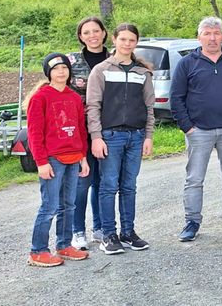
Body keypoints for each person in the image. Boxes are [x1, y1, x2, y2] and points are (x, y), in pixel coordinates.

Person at [171, 17, 222, 241]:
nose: (212, 38)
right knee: (195, 179)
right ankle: (192, 222)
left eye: (216, 33)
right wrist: (188, 128)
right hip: (199, 131)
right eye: (207, 33)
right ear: (199, 37)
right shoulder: (187, 63)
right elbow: (176, 98)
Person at [86, 23, 155, 255]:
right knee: (108, 185)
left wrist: (148, 136)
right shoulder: (101, 70)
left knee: (129, 186)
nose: (127, 44)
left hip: (136, 137)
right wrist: (96, 137)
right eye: (122, 39)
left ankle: (128, 232)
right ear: (114, 40)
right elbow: (93, 106)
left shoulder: (142, 72)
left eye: (131, 40)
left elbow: (149, 108)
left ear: (136, 43)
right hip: (110, 137)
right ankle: (108, 234)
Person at [26, 53, 91, 267]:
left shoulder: (73, 97)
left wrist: (83, 158)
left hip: (74, 159)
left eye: (64, 67)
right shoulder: (41, 97)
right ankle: (38, 251)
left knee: (68, 205)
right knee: (49, 206)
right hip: (52, 160)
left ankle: (64, 245)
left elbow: (81, 131)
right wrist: (41, 163)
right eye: (56, 69)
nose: (61, 72)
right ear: (49, 73)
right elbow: (35, 134)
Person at [68, 16, 108, 250]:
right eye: (86, 32)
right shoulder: (72, 61)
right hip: (81, 131)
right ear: (81, 37)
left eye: (96, 31)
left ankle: (100, 228)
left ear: (104, 33)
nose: (92, 35)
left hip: (109, 129)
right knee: (83, 181)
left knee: (103, 183)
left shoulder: (115, 58)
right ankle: (77, 231)